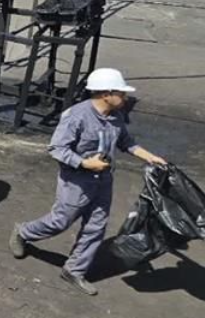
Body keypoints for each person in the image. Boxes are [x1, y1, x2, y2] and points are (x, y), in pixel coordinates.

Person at [10, 67, 167, 296]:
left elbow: (126, 142)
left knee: (96, 228)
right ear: (106, 94)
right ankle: (23, 232)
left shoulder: (116, 116)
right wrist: (84, 164)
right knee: (59, 222)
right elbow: (56, 148)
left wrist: (151, 157)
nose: (125, 98)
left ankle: (74, 270)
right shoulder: (77, 116)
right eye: (121, 93)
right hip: (76, 183)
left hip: (103, 182)